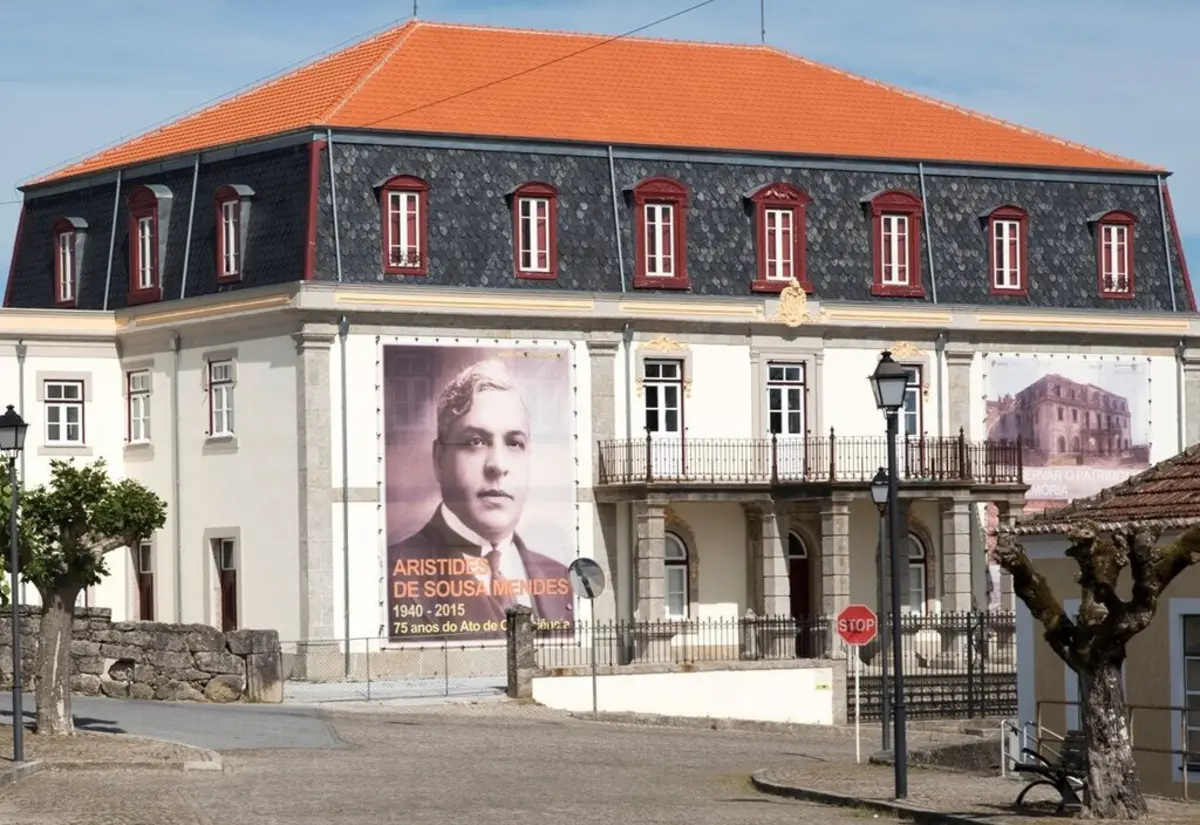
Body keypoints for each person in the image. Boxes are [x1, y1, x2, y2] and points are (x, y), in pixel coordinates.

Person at [387, 357, 573, 638]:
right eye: (475, 441)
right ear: (439, 459)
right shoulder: (392, 571)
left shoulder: (560, 576)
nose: (497, 465)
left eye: (514, 443)